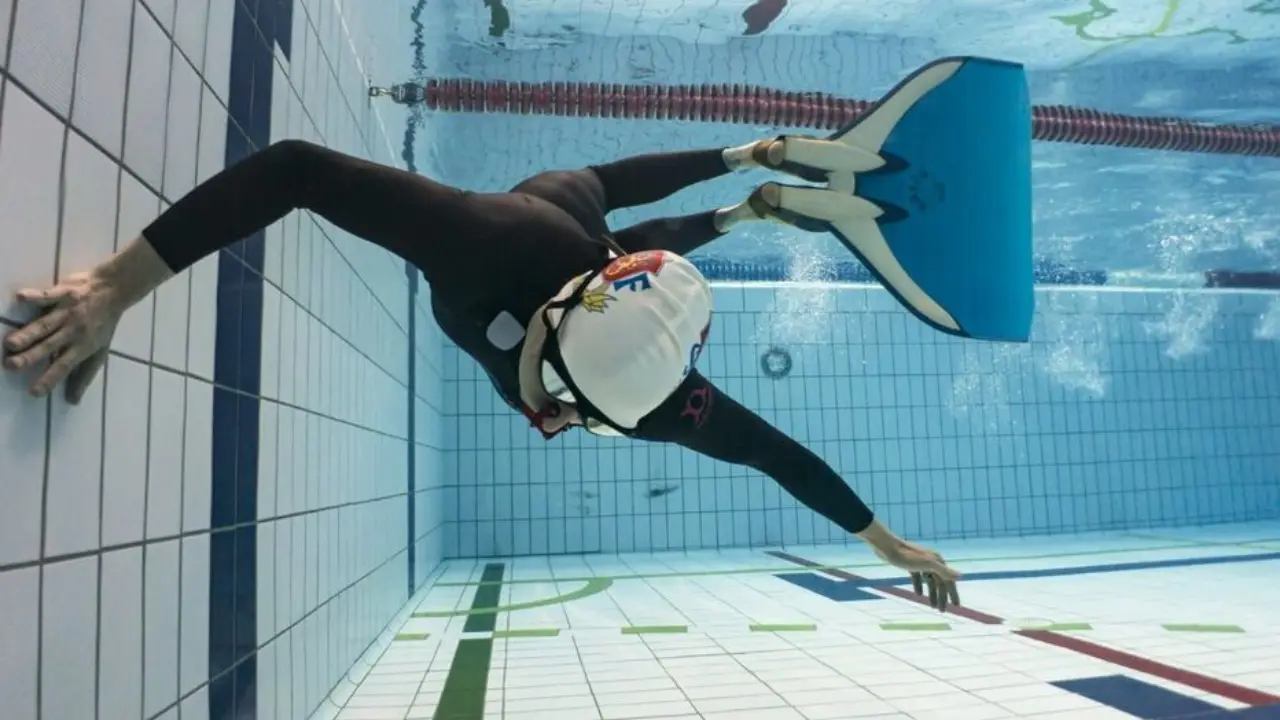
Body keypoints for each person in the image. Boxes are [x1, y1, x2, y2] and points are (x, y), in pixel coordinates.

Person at [1, 137, 961, 610]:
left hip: (599, 255)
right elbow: (292, 170)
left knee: (600, 203)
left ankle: (745, 204)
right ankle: (743, 193)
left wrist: (881, 538)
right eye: (557, 398)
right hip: (544, 230)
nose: (549, 415)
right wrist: (118, 287)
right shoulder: (483, 240)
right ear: (555, 317)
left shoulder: (666, 401)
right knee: (580, 196)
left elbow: (772, 452)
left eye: (575, 417)